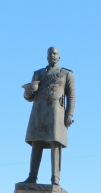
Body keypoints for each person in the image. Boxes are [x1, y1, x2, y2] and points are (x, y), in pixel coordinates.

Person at [22, 46, 75, 185]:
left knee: (55, 143)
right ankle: (32, 176)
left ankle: (55, 178)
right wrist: (27, 94)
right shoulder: (38, 74)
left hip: (56, 112)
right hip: (39, 111)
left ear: (59, 57)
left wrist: (69, 114)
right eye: (50, 54)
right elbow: (30, 96)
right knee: (36, 142)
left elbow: (72, 95)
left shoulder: (66, 74)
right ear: (46, 57)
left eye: (55, 53)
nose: (52, 55)